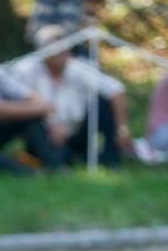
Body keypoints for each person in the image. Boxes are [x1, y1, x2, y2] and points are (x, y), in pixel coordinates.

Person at [12, 26, 131, 168]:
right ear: (43, 51)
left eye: (65, 48)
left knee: (103, 102)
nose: (63, 53)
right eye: (57, 49)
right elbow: (18, 102)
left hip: (77, 131)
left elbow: (115, 89)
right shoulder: (25, 70)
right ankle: (55, 161)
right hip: (43, 134)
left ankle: (110, 160)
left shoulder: (77, 67)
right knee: (35, 126)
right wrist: (51, 122)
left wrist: (122, 128)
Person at [0, 35, 58, 173]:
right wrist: (39, 108)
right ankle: (27, 173)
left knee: (32, 119)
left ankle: (50, 163)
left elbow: (22, 91)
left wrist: (50, 116)